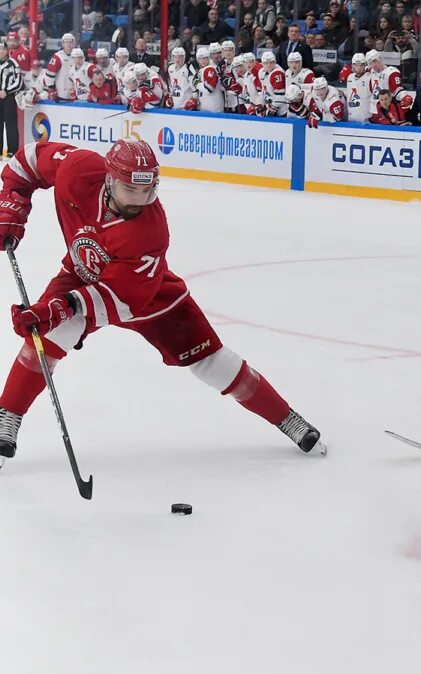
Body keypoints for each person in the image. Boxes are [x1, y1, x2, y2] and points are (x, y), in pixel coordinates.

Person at [0, 140, 325, 464]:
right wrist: (14, 203)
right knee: (46, 337)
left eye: (149, 190)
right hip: (82, 275)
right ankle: (7, 418)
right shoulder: (79, 168)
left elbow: (123, 299)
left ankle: (287, 418)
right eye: (132, 190)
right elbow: (28, 160)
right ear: (110, 180)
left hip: (148, 296)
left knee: (211, 362)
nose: (141, 200)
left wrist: (59, 307)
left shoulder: (149, 230)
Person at [0, 42, 17, 158]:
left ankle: (12, 150)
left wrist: (6, 90)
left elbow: (18, 81)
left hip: (9, 97)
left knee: (11, 124)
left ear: (7, 50)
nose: (1, 51)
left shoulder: (12, 63)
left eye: (2, 49)